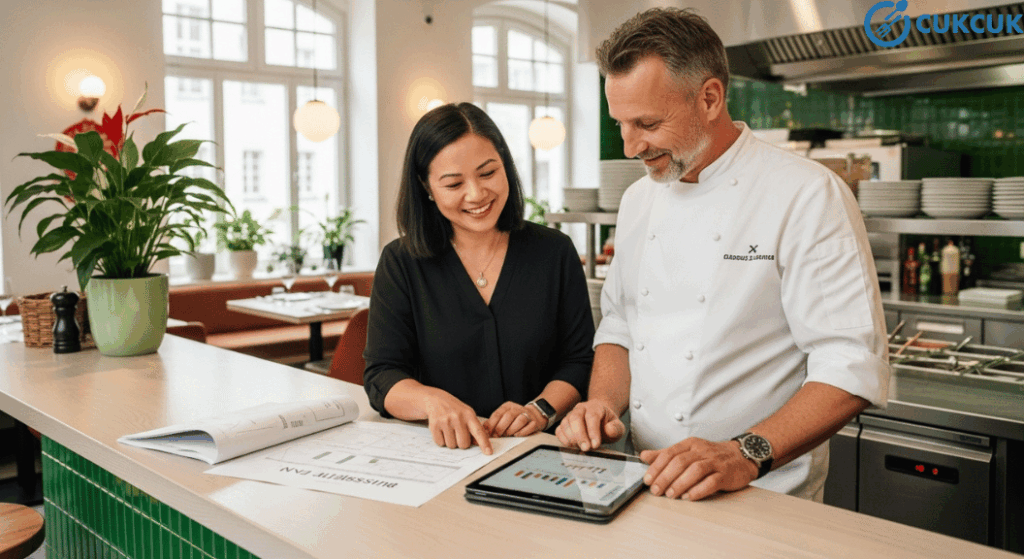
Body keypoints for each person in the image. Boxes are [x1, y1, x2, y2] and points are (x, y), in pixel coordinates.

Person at [555, 8, 889, 502]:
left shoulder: (807, 194)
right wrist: (601, 404)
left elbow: (850, 363)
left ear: (710, 97)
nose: (630, 147)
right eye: (621, 123)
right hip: (644, 484)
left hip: (762, 493)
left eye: (647, 123)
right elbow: (622, 326)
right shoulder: (637, 201)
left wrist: (742, 453)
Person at [363, 103, 595, 455]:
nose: (476, 194)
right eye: (454, 183)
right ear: (426, 187)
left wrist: (541, 409)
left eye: (488, 173)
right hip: (443, 455)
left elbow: (579, 360)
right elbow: (382, 374)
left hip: (541, 453)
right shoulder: (401, 262)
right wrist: (433, 402)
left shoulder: (554, 252)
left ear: (505, 166)